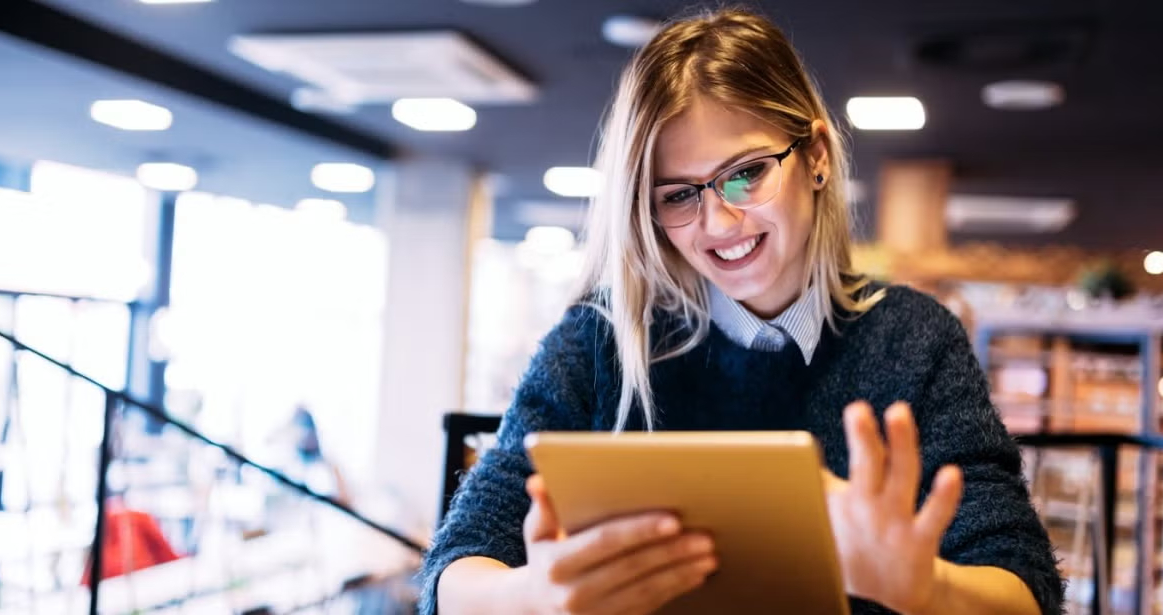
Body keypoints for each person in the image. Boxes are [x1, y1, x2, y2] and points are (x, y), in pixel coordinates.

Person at [420, 7, 1063, 615]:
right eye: (678, 194)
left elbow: (1025, 588)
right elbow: (454, 569)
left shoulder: (915, 340)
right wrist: (531, 597)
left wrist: (926, 589)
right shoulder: (602, 338)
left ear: (815, 157)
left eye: (746, 173)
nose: (718, 222)